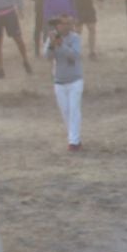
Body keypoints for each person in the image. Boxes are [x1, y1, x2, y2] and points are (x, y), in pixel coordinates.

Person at [45, 15, 84, 151]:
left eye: (67, 23)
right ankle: (74, 137)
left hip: (75, 80)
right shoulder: (52, 38)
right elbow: (47, 56)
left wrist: (61, 45)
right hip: (59, 81)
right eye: (62, 23)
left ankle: (73, 141)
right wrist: (51, 44)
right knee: (65, 111)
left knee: (74, 110)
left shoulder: (75, 38)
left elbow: (75, 55)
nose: (65, 26)